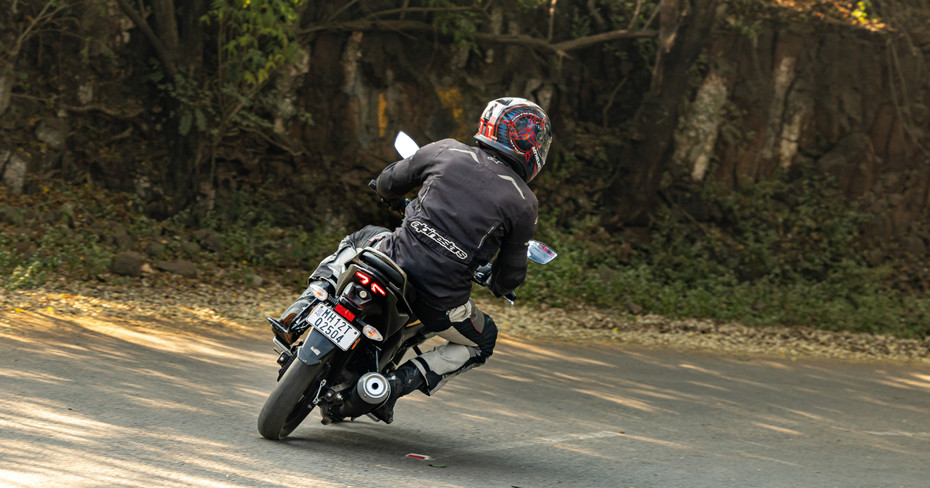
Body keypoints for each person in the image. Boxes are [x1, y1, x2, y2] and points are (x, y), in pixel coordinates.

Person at [278, 97, 552, 423]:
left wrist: (397, 196)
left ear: (490, 125)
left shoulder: (447, 150)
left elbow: (387, 183)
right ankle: (392, 385)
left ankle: (303, 307)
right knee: (483, 340)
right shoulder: (523, 203)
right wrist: (495, 280)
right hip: (438, 301)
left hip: (391, 259)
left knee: (361, 238)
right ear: (534, 149)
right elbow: (510, 277)